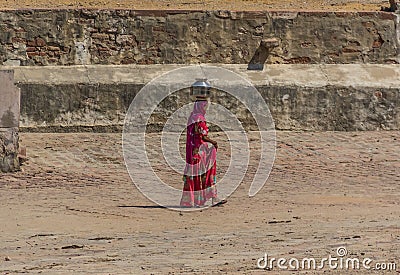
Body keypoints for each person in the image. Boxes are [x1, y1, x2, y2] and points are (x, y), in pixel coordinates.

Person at [180, 99, 227, 207]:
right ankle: (208, 198)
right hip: (200, 153)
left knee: (197, 175)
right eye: (205, 107)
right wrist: (213, 142)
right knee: (206, 173)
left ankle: (194, 201)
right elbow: (203, 136)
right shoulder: (200, 119)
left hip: (193, 152)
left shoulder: (192, 117)